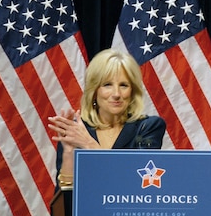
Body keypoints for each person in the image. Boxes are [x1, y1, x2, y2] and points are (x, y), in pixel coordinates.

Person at [48, 48, 166, 190]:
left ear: (132, 91)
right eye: (107, 85)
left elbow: (139, 184)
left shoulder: (147, 127)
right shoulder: (77, 132)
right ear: (94, 90)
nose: (116, 94)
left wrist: (90, 145)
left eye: (123, 85)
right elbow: (64, 205)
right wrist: (68, 152)